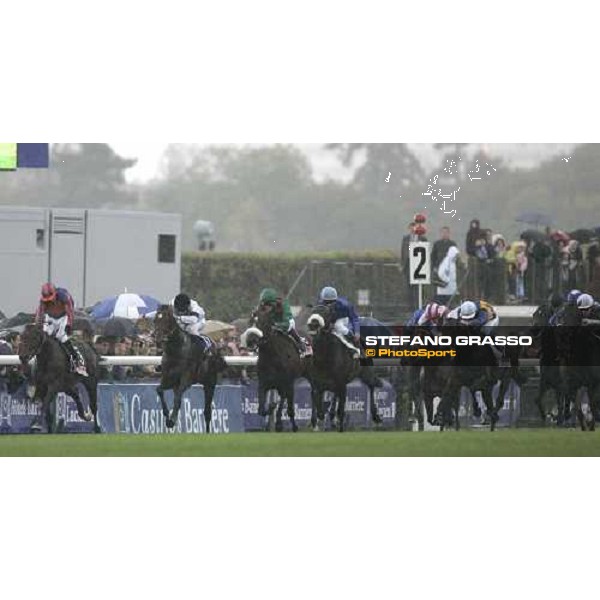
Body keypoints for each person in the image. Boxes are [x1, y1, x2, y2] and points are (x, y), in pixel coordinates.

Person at [35, 282, 87, 376]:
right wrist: (38, 325)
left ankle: (76, 360)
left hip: (63, 317)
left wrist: (69, 325)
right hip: (50, 317)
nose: (48, 301)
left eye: (50, 299)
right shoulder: (43, 301)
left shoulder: (63, 296)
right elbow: (40, 314)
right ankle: (38, 362)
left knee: (61, 336)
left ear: (55, 293)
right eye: (46, 300)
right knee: (45, 334)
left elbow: (70, 312)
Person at [256, 288, 306, 353]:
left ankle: (299, 341)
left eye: (268, 305)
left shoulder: (284, 305)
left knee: (290, 326)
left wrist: (277, 326)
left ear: (273, 303)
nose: (266, 307)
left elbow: (287, 324)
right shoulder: (261, 307)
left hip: (286, 321)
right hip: (272, 323)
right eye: (264, 305)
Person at [318, 286, 361, 357]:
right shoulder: (320, 305)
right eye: (326, 302)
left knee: (337, 326)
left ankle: (352, 340)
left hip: (343, 319)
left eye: (331, 302)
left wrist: (357, 332)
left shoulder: (344, 305)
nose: (328, 305)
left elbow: (354, 318)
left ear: (335, 300)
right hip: (331, 321)